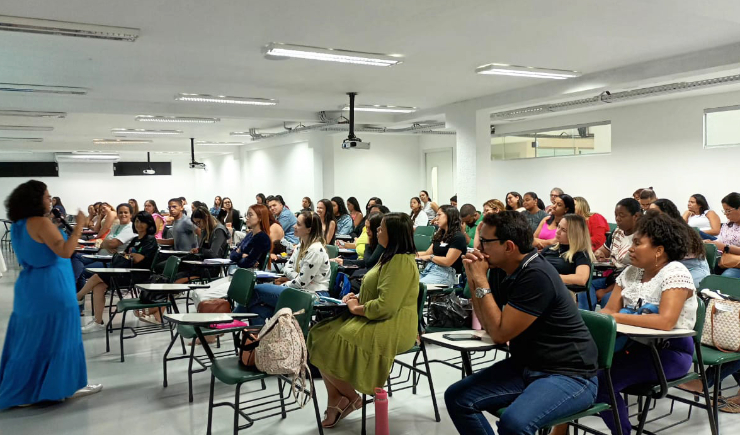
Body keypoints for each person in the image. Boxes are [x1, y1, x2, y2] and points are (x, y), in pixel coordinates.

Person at [445, 211, 598, 435]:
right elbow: (488, 319)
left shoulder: (536, 275)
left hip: (570, 374)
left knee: (514, 424)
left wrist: (479, 279)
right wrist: (473, 277)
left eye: (485, 242)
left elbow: (498, 333)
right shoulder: (502, 269)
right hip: (528, 366)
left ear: (509, 246)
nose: (479, 249)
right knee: (458, 398)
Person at [308, 213, 419, 428]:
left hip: (393, 324)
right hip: (379, 316)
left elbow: (386, 306)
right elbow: (379, 291)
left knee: (333, 341)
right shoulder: (389, 255)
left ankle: (349, 397)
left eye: (381, 228)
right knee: (318, 334)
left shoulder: (401, 262)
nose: (377, 231)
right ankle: (341, 397)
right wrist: (357, 297)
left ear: (393, 233)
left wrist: (356, 308)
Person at [593, 211, 698, 435]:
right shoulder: (631, 272)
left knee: (602, 382)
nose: (630, 248)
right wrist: (613, 316)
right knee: (575, 367)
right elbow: (608, 311)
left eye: (638, 243)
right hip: (631, 345)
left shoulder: (675, 272)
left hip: (669, 352)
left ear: (659, 250)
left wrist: (617, 317)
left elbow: (665, 321)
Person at [0, 180, 101, 409]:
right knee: (61, 336)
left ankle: (25, 390)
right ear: (36, 200)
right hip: (52, 287)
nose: (50, 199)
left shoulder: (19, 224)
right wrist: (78, 228)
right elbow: (65, 252)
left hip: (30, 287)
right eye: (47, 196)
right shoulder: (40, 222)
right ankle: (64, 386)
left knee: (31, 340)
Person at [78, 212, 159, 331]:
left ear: (149, 224)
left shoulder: (150, 240)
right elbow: (126, 255)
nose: (138, 224)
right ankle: (98, 322)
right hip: (126, 271)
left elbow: (138, 259)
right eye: (136, 221)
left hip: (139, 275)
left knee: (97, 276)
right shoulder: (135, 239)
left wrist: (129, 255)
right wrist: (129, 255)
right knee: (98, 286)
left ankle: (78, 297)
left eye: (142, 222)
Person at [247, 212, 330, 324]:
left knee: (257, 290)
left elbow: (301, 283)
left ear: (309, 230)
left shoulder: (315, 250)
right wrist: (297, 277)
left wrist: (285, 284)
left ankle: (230, 320)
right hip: (300, 289)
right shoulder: (301, 245)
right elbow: (286, 268)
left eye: (298, 224)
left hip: (314, 295)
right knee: (258, 309)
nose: (294, 226)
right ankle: (257, 338)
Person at [192, 205, 273, 309]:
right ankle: (207, 320)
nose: (247, 217)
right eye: (247, 214)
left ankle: (210, 322)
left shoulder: (262, 237)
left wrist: (240, 255)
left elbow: (247, 262)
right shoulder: (250, 235)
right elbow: (233, 255)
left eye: (250, 215)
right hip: (236, 275)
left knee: (203, 296)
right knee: (196, 293)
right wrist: (241, 255)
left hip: (247, 279)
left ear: (260, 218)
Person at [579, 198, 641, 310]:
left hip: (629, 281)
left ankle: (606, 324)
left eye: (622, 215)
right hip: (611, 277)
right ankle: (586, 319)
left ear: (635, 216)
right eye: (616, 215)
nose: (617, 219)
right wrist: (599, 253)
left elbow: (631, 273)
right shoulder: (617, 232)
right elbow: (603, 250)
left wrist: (605, 291)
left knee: (607, 298)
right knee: (585, 288)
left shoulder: (642, 237)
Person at [650, 198, 710, 287]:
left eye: (654, 212)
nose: (649, 216)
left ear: (666, 213)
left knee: (665, 286)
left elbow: (668, 255)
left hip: (693, 268)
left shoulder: (680, 230)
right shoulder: (656, 229)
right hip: (672, 269)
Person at [417, 205, 466, 287]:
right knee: (408, 285)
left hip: (445, 273)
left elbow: (447, 261)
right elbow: (426, 253)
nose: (436, 218)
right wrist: (409, 254)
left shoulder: (458, 237)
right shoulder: (440, 235)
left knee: (416, 288)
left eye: (439, 215)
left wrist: (430, 257)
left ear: (449, 216)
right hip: (430, 269)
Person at [542, 213, 594, 289]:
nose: (557, 232)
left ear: (574, 234)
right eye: (558, 227)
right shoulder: (549, 249)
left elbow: (581, 279)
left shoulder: (581, 253)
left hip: (559, 290)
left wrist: (551, 277)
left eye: (563, 230)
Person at [706, 192, 740, 278]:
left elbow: (723, 245)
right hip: (724, 260)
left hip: (736, 263)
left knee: (726, 277)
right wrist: (711, 243)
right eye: (724, 211)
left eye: (728, 211)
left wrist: (726, 247)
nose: (726, 214)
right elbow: (720, 241)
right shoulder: (728, 224)